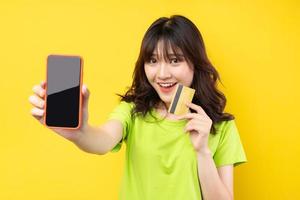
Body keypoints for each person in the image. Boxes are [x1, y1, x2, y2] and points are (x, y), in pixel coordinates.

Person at [29, 15, 247, 200]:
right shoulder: (133, 111)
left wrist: (203, 152)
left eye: (174, 60)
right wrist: (79, 132)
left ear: (195, 64)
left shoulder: (221, 126)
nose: (161, 74)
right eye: (152, 60)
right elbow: (102, 141)